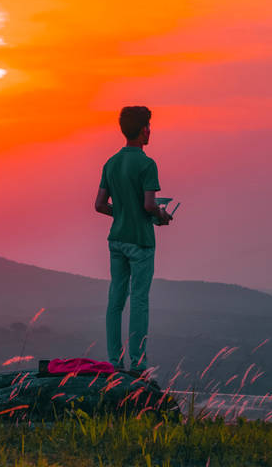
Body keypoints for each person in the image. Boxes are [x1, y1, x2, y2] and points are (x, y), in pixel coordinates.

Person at [94, 106, 172, 376]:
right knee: (139, 300)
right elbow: (150, 204)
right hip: (140, 241)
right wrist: (162, 215)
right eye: (148, 126)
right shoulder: (147, 164)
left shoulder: (111, 163)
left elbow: (100, 205)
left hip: (116, 240)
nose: (150, 130)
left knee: (115, 300)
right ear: (142, 130)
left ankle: (114, 362)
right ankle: (138, 365)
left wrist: (123, 211)